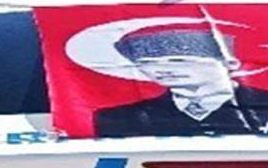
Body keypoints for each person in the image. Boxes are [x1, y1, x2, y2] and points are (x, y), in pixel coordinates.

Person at [91, 27, 268, 136]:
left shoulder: (262, 105)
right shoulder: (120, 118)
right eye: (147, 63)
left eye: (179, 61)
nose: (164, 69)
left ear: (230, 63)